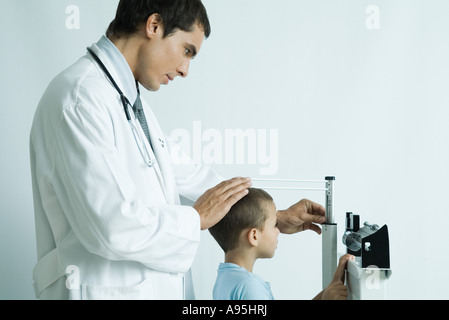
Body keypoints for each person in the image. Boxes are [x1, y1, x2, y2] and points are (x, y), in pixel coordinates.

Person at [30, 0, 329, 300]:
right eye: (187, 50)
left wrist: (270, 219)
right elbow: (111, 226)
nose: (185, 70)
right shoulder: (81, 98)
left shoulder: (132, 106)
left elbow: (197, 182)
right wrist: (194, 220)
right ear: (154, 25)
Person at [209, 188, 353, 300]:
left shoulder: (225, 277)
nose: (279, 230)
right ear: (254, 236)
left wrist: (326, 293)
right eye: (274, 225)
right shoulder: (250, 286)